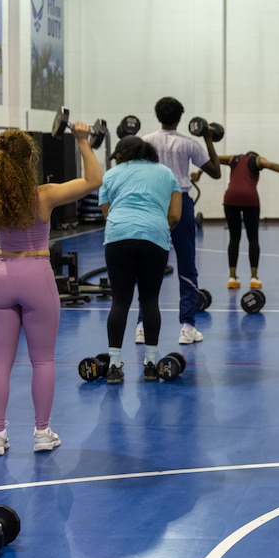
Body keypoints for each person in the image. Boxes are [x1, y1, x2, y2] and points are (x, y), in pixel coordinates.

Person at [0, 118, 102, 455]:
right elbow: (94, 180)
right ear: (29, 161)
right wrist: (82, 140)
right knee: (42, 361)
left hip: (1, 276)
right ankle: (42, 432)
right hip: (36, 275)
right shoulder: (44, 195)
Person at [98, 136, 184, 382]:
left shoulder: (111, 174)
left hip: (118, 237)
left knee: (120, 301)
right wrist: (155, 227)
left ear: (123, 154)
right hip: (154, 237)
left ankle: (114, 366)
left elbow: (107, 212)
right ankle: (149, 364)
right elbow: (175, 215)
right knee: (149, 300)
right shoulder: (166, 173)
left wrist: (125, 226)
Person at [142, 98, 221, 344]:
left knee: (149, 265)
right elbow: (216, 172)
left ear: (158, 115)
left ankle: (143, 327)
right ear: (180, 118)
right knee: (187, 263)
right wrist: (209, 137)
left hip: (152, 202)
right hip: (180, 202)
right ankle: (187, 327)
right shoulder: (189, 143)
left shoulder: (144, 142)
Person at [201, 128, 279, 290]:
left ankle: (231, 278)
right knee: (253, 238)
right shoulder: (256, 160)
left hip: (230, 199)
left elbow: (211, 158)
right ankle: (254, 278)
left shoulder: (233, 159)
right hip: (249, 199)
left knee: (234, 238)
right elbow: (271, 165)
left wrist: (199, 173)